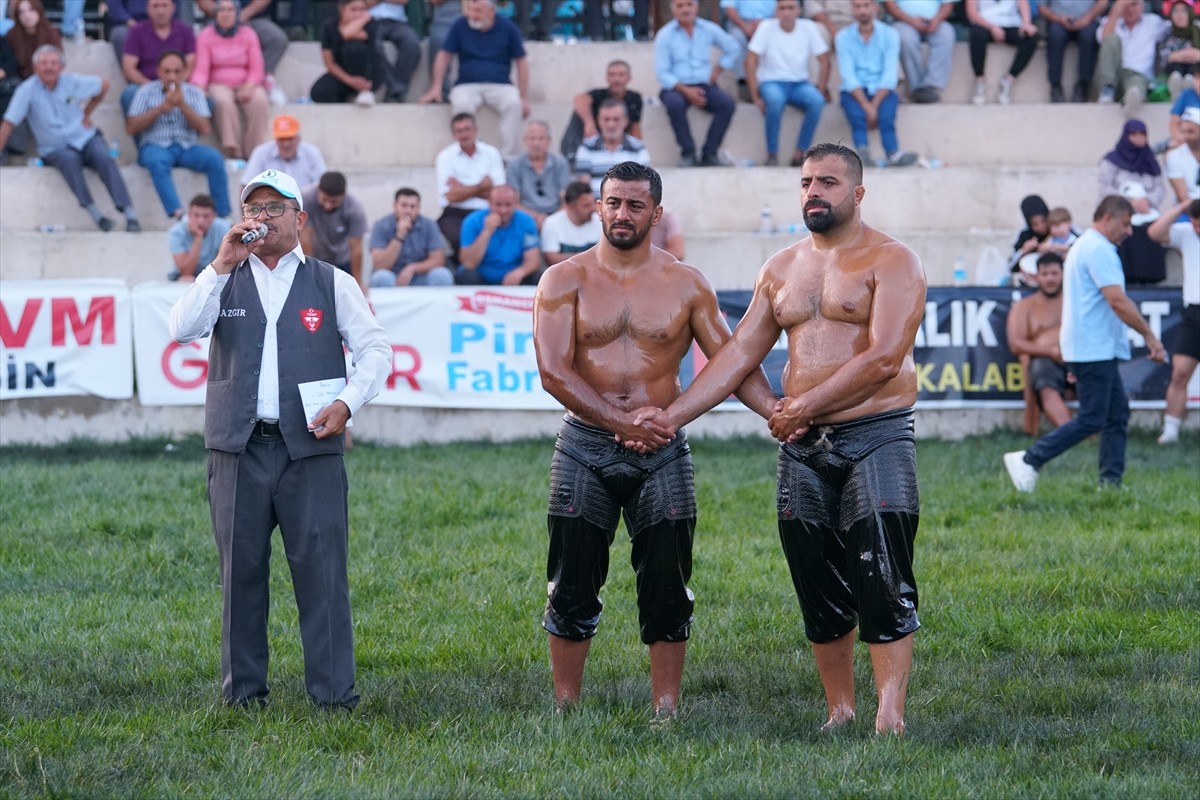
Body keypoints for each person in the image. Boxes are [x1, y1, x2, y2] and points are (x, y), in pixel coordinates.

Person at [631, 143, 926, 735]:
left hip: (876, 432)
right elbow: (738, 354)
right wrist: (674, 415)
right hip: (801, 445)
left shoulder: (894, 261)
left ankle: (889, 711)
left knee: (882, 568)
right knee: (814, 576)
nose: (814, 191)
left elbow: (885, 357)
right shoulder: (781, 268)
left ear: (858, 194)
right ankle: (839, 709)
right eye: (807, 182)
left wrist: (803, 407)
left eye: (829, 183)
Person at [532, 160, 777, 719]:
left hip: (663, 452)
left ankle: (666, 709)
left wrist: (776, 412)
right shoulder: (563, 278)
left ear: (656, 213)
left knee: (668, 585)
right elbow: (553, 371)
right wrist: (623, 423)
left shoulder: (686, 282)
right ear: (598, 206)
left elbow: (732, 360)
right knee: (570, 582)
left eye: (635, 204)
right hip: (585, 446)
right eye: (613, 202)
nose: (622, 213)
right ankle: (565, 708)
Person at [168, 167, 391, 711]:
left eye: (275, 208)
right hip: (238, 448)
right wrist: (220, 263)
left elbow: (377, 354)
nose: (263, 218)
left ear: (300, 217)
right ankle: (243, 695)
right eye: (255, 208)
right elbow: (181, 328)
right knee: (239, 574)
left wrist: (346, 403)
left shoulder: (332, 280)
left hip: (309, 449)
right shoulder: (224, 277)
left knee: (322, 574)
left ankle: (334, 697)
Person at [1004, 195, 1167, 493]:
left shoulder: (1082, 245)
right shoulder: (1099, 249)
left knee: (1117, 414)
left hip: (1092, 346)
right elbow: (1117, 300)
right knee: (1093, 418)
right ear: (1108, 218)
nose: (1129, 231)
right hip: (1092, 348)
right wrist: (1150, 336)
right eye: (1126, 224)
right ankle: (1029, 459)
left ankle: (1110, 483)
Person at [0, 45, 141, 231]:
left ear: (61, 66)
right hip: (56, 149)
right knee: (69, 161)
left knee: (103, 155)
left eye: (53, 63)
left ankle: (130, 214)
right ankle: (96, 215)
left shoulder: (72, 81)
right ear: (35, 67)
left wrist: (87, 113)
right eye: (43, 63)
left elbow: (104, 84)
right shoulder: (26, 90)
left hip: (84, 138)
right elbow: (9, 123)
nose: (49, 67)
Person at [418, 0, 530, 161]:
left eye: (478, 12)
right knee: (462, 105)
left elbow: (522, 61)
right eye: (471, 11)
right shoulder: (460, 25)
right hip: (466, 84)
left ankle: (508, 157)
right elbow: (443, 56)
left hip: (500, 85)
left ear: (491, 11)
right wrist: (436, 87)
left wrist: (523, 96)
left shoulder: (508, 27)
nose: (473, 16)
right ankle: (471, 153)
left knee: (514, 103)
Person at [126, 49, 231, 220]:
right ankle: (178, 213)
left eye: (176, 71)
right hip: (155, 145)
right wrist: (160, 108)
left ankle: (222, 215)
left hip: (186, 147)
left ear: (184, 72)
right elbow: (131, 128)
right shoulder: (145, 91)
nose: (171, 76)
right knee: (156, 161)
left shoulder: (194, 93)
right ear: (158, 72)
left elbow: (204, 129)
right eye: (167, 71)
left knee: (214, 158)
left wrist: (182, 105)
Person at [744, 0, 829, 168]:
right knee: (775, 101)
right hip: (771, 82)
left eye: (791, 8)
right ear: (776, 11)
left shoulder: (808, 27)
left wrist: (820, 88)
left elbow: (825, 61)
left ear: (798, 10)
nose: (787, 12)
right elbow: (750, 60)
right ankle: (772, 154)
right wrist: (755, 94)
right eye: (782, 8)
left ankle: (801, 153)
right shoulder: (766, 27)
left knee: (817, 101)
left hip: (799, 84)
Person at [655, 0, 739, 167]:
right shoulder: (665, 34)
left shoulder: (708, 28)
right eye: (680, 6)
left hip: (704, 85)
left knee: (727, 104)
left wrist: (717, 71)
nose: (685, 9)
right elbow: (662, 72)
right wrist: (686, 90)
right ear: (674, 10)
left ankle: (710, 153)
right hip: (676, 87)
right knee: (674, 104)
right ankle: (688, 153)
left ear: (696, 7)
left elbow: (733, 48)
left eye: (689, 4)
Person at [836, 0, 917, 168]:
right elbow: (848, 76)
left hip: (881, 89)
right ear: (852, 9)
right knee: (857, 116)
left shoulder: (890, 34)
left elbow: (889, 75)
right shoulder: (842, 37)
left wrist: (873, 105)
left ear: (874, 7)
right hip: (855, 91)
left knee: (886, 116)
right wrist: (867, 106)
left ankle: (893, 155)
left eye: (865, 5)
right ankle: (862, 155)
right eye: (857, 6)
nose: (862, 10)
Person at [1147, 197, 1200, 444]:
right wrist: (1182, 206)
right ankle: (1171, 431)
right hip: (1194, 313)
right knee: (1180, 373)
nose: (1197, 228)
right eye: (1194, 223)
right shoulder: (1186, 233)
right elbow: (1154, 233)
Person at [192, 0, 270, 159]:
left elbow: (257, 68)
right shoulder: (205, 35)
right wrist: (199, 87)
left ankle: (255, 152)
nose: (226, 14)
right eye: (221, 10)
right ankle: (233, 150)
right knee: (223, 101)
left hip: (245, 82)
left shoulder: (249, 33)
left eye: (230, 10)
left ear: (237, 13)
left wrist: (249, 86)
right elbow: (201, 69)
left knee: (259, 100)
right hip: (218, 83)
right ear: (215, 14)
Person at [1006, 252, 1075, 430]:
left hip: (1077, 356)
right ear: (1037, 277)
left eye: (1054, 273)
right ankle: (1070, 433)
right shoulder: (1024, 307)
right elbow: (1016, 343)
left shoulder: (1076, 303)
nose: (1050, 279)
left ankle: (1094, 433)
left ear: (1063, 274)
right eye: (1045, 274)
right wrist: (1050, 351)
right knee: (1044, 381)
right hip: (1044, 360)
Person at [434, 111, 506, 262]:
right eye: (459, 131)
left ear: (475, 130)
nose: (464, 134)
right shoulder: (445, 157)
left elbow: (498, 193)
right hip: (455, 212)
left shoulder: (491, 153)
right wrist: (482, 186)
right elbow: (451, 196)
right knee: (458, 237)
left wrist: (463, 188)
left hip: (487, 210)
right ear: (453, 134)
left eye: (467, 129)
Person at [195, 0, 290, 106]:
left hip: (252, 18)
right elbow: (203, 2)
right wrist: (224, 13)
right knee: (204, 36)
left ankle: (265, 79)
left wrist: (243, 14)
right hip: (216, 18)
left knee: (277, 38)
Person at [560, 59, 643, 166]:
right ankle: (571, 154)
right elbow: (579, 99)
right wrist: (589, 123)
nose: (616, 79)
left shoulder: (634, 98)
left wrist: (638, 151)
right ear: (607, 77)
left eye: (621, 75)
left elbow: (635, 128)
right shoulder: (598, 95)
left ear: (629, 77)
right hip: (592, 142)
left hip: (617, 145)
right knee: (579, 113)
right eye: (612, 75)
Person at [368, 186, 455, 287]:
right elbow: (380, 264)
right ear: (395, 206)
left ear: (418, 209)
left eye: (413, 206)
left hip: (420, 276)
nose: (408, 210)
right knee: (381, 277)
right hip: (392, 276)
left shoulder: (429, 225)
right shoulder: (381, 225)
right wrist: (399, 236)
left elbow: (438, 260)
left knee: (442, 276)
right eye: (404, 206)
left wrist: (413, 268)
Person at [456, 183, 542, 285]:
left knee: (539, 277)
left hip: (513, 278)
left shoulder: (526, 221)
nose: (503, 210)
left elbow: (533, 260)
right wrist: (487, 231)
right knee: (467, 275)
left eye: (508, 205)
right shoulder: (472, 221)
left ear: (516, 204)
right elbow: (468, 263)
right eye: (498, 205)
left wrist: (520, 272)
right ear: (489, 203)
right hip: (481, 277)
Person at [1095, 0, 1172, 114]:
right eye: (1126, 5)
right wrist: (1116, 10)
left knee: (1136, 86)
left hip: (1138, 75)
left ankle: (1131, 100)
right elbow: (1104, 38)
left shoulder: (1153, 22)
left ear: (1142, 6)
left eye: (1134, 4)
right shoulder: (1109, 21)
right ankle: (1107, 91)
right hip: (1115, 75)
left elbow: (1178, 24)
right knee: (1111, 39)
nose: (1130, 9)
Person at [120, 0, 195, 113]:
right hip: (146, 84)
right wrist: (150, 86)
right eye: (155, 6)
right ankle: (139, 131)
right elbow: (129, 68)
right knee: (129, 94)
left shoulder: (186, 31)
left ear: (173, 8)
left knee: (207, 100)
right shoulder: (136, 32)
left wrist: (175, 85)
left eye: (165, 5)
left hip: (178, 83)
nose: (160, 11)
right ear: (148, 9)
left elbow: (190, 64)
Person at [300, 170, 369, 285]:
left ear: (343, 195)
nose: (328, 205)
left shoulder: (354, 207)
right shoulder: (306, 199)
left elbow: (356, 247)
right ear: (318, 190)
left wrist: (358, 282)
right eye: (324, 200)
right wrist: (310, 273)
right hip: (316, 257)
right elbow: (305, 238)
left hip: (343, 260)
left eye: (334, 202)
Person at [965, 0, 1038, 106]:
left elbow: (1023, 4)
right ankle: (979, 81)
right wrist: (992, 27)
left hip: (1011, 24)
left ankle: (1008, 81)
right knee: (976, 35)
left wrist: (1026, 23)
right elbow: (972, 13)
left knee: (1031, 38)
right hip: (984, 24)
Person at [881, 0, 955, 104]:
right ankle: (916, 88)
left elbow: (948, 4)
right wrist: (911, 20)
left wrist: (938, 19)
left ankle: (931, 86)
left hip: (935, 22)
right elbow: (889, 4)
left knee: (946, 34)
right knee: (905, 39)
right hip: (903, 21)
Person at [574, 98, 651, 193]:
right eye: (606, 119)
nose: (611, 125)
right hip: (595, 205)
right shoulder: (587, 147)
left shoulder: (638, 148)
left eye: (616, 119)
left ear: (625, 121)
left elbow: (645, 185)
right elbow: (583, 187)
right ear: (598, 121)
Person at [311, 0, 379, 106]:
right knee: (319, 91)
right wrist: (350, 81)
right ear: (341, 9)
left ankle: (365, 92)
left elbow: (347, 33)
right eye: (353, 10)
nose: (358, 14)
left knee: (352, 47)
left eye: (362, 10)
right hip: (343, 73)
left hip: (369, 75)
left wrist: (366, 17)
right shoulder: (329, 26)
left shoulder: (370, 24)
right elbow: (329, 62)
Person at [506, 119, 572, 228]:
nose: (536, 143)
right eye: (532, 139)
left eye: (541, 139)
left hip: (556, 215)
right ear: (525, 141)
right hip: (525, 215)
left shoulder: (560, 163)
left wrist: (551, 220)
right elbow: (513, 201)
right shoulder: (514, 164)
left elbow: (565, 200)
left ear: (548, 141)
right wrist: (535, 217)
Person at [1040, 0, 1106, 103]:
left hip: (1088, 20)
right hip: (1058, 20)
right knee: (1055, 36)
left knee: (1088, 37)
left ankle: (1083, 86)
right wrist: (1057, 18)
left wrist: (1086, 18)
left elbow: (1103, 2)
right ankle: (1055, 86)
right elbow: (1041, 6)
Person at [242, 113, 326, 192]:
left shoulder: (312, 153)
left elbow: (323, 186)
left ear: (298, 139)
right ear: (275, 140)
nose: (286, 144)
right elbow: (246, 186)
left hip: (305, 205)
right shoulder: (261, 153)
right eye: (281, 139)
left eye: (290, 139)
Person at [1098, 118, 1166, 209]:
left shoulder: (1151, 162)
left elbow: (1159, 188)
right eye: (1134, 134)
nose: (1139, 138)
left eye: (1142, 134)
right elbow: (1105, 187)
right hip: (1117, 210)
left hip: (1146, 212)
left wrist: (1147, 201)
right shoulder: (1112, 160)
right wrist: (1129, 201)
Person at [364, 0, 420, 102]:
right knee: (373, 45)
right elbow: (365, 3)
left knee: (412, 44)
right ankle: (397, 88)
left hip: (397, 22)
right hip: (371, 20)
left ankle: (394, 94)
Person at [168, 192, 232, 280]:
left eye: (206, 216)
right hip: (186, 276)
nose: (201, 221)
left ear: (214, 216)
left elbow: (226, 264)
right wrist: (198, 238)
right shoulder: (176, 232)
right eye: (196, 215)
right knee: (186, 279)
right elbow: (186, 271)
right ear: (190, 215)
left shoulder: (223, 228)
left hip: (212, 275)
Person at [540, 180, 600, 265]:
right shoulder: (551, 223)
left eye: (593, 203)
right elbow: (552, 259)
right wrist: (590, 257)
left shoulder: (600, 221)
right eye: (586, 205)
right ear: (571, 206)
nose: (593, 208)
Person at [720, 0, 776, 92]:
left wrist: (764, 24)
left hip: (769, 23)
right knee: (736, 39)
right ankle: (743, 81)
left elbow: (783, 6)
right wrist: (745, 26)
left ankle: (772, 81)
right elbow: (729, 9)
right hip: (740, 23)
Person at [4, 0, 60, 79]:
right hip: (19, 81)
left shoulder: (51, 34)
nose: (27, 15)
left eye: (31, 10)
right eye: (22, 12)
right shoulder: (11, 35)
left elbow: (57, 61)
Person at [1158, 0, 1200, 100]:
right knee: (1177, 67)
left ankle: (1190, 82)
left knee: (1193, 67)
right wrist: (1177, 56)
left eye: (1183, 11)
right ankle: (1175, 87)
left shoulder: (1197, 30)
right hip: (1175, 67)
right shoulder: (1166, 32)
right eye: (1175, 11)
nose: (1179, 15)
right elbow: (1163, 57)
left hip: (1195, 69)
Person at [1164, 106, 1200, 203]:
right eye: (1183, 131)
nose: (1185, 136)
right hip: (1190, 211)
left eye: (1191, 132)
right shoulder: (1174, 156)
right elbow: (1183, 198)